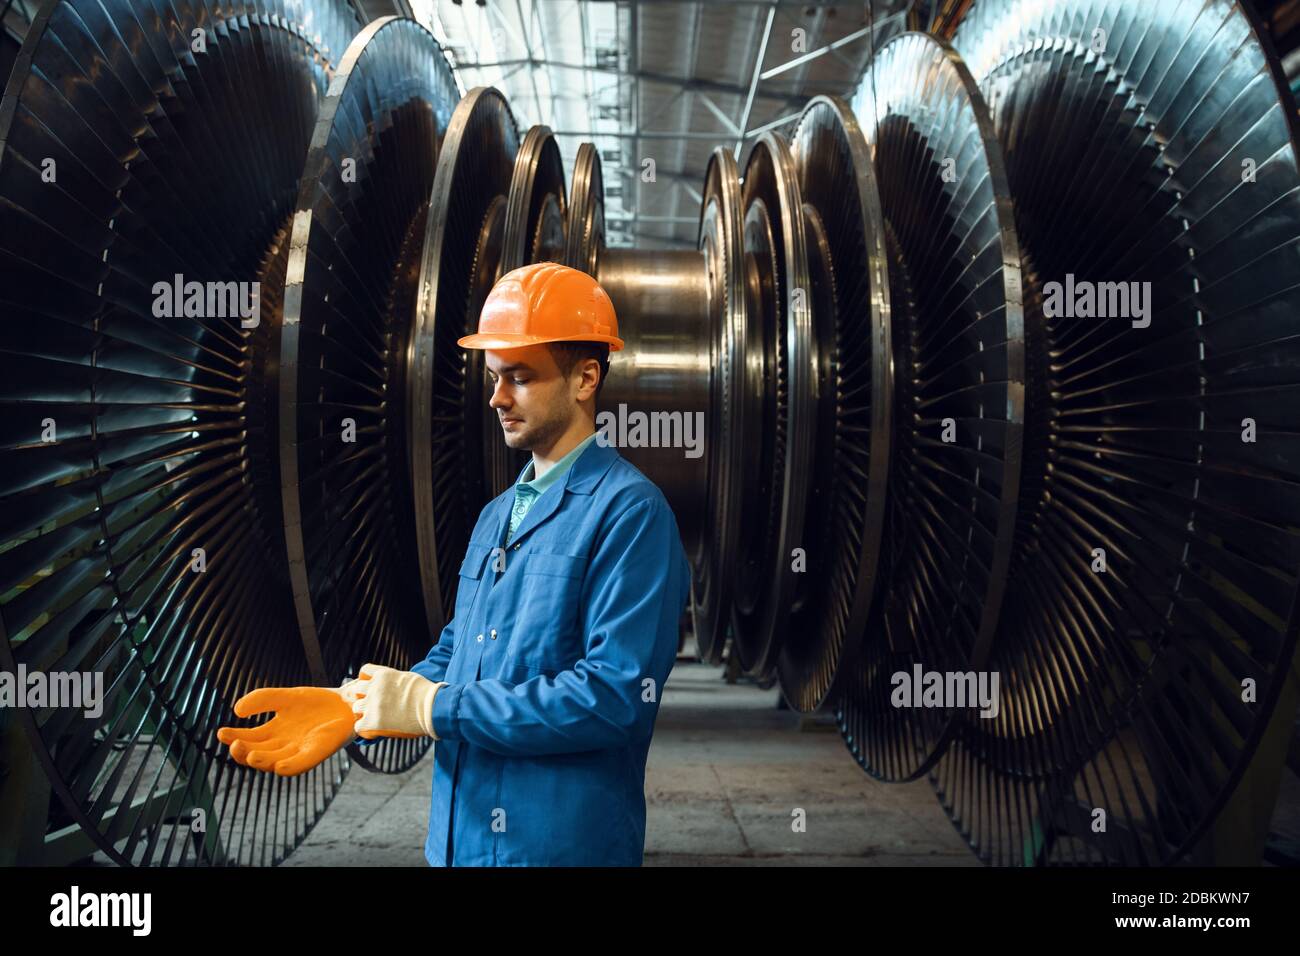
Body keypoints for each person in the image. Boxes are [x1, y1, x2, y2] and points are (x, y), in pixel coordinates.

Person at [236, 262, 691, 866]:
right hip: (459, 843)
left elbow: (614, 697)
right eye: (495, 377)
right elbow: (459, 652)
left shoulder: (631, 515)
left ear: (586, 379)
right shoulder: (498, 515)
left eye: (521, 378)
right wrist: (358, 703)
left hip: (555, 849)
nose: (497, 398)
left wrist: (432, 708)